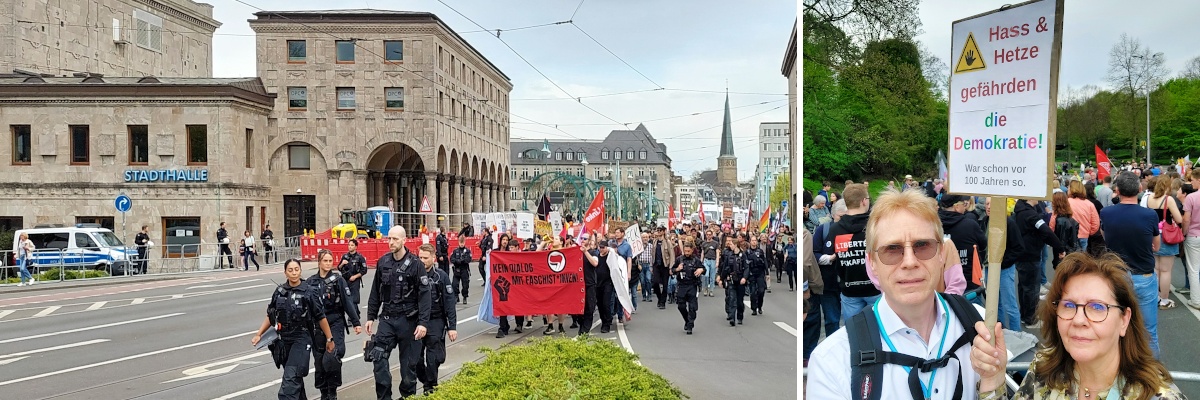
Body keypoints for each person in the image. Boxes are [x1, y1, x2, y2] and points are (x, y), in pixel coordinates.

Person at [807, 188, 984, 399]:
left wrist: (994, 385)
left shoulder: (980, 326)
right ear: (871, 263)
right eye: (892, 249)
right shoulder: (833, 362)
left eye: (923, 245)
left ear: (941, 255)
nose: (909, 262)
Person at [971, 252, 1185, 399]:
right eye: (1069, 305)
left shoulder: (1158, 396)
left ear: (1124, 320)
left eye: (1097, 307)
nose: (1079, 320)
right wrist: (993, 378)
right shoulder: (1044, 370)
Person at [251, 259, 335, 400]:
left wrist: (329, 339)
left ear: (300, 271)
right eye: (290, 270)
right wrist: (259, 334)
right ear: (285, 273)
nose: (294, 273)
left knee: (289, 387)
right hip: (284, 341)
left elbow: (321, 317)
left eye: (296, 269)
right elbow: (270, 315)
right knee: (295, 381)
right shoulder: (279, 292)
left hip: (302, 339)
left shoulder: (309, 291)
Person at [365, 226, 433, 400]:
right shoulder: (383, 262)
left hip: (409, 322)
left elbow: (424, 296)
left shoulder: (416, 265)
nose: (391, 242)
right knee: (378, 358)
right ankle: (384, 397)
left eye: (395, 239)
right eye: (389, 239)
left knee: (408, 368)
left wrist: (423, 323)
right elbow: (375, 291)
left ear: (404, 240)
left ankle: (407, 396)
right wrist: (370, 316)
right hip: (387, 319)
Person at [1100, 171, 1162, 358]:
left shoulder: (1106, 212)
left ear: (1117, 190)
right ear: (1140, 189)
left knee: (1116, 327)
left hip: (1117, 275)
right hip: (1143, 276)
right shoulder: (1149, 215)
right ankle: (1154, 373)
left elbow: (1105, 238)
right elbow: (1156, 246)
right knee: (1148, 330)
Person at [307, 250, 362, 399]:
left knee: (332, 357)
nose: (328, 263)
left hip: (335, 322)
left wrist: (356, 322)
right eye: (325, 260)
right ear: (319, 262)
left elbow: (347, 302)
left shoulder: (338, 280)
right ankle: (323, 393)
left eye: (330, 261)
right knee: (319, 362)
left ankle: (333, 392)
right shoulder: (310, 282)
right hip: (317, 326)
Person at [823, 183, 880, 321]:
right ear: (864, 201)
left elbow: (835, 255)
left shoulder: (835, 229)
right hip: (876, 288)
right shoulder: (875, 226)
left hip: (849, 287)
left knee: (855, 333)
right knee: (883, 331)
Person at [414, 244, 458, 395]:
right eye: (420, 257)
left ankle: (429, 386)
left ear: (433, 258)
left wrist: (452, 327)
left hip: (436, 320)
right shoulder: (413, 275)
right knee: (415, 359)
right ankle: (428, 380)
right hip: (417, 321)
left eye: (425, 258)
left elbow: (449, 303)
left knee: (435, 357)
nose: (422, 261)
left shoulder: (441, 276)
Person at [1146, 176, 1183, 310]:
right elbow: (1179, 219)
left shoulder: (1150, 199)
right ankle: (1164, 300)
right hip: (1167, 237)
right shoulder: (1169, 199)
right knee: (1166, 270)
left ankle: (1155, 297)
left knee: (1155, 269)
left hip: (1153, 235)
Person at [673, 237, 704, 335]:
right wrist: (677, 269)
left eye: (688, 251)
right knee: (681, 306)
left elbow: (703, 269)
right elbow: (672, 270)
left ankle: (690, 325)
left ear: (691, 250)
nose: (686, 253)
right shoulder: (679, 259)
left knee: (692, 307)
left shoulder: (696, 260)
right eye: (685, 251)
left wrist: (701, 270)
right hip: (682, 285)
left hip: (692, 285)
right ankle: (686, 319)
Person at [716, 235, 747, 326]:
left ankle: (740, 316)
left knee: (739, 301)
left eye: (732, 244)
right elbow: (725, 268)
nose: (730, 245)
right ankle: (732, 317)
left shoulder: (743, 255)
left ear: (736, 245)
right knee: (732, 298)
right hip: (731, 281)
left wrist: (744, 278)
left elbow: (746, 268)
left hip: (740, 280)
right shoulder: (729, 255)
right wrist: (721, 279)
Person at [579, 237, 605, 335]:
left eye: (585, 238)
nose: (582, 240)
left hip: (589, 283)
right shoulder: (577, 252)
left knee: (589, 307)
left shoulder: (593, 252)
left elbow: (595, 263)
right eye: (581, 238)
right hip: (578, 285)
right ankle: (581, 325)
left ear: (589, 241)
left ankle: (585, 330)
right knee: (578, 309)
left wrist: (586, 252)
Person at [1184, 168, 1200, 309]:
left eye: (1193, 180)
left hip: (1194, 235)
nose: (1191, 182)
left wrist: (1184, 233)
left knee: (1193, 269)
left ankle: (1196, 300)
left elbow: (1186, 219)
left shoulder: (1191, 197)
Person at [648, 228, 677, 309]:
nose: (659, 232)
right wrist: (651, 265)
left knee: (665, 285)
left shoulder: (667, 242)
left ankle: (662, 302)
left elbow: (672, 255)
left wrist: (671, 267)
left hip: (665, 266)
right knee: (655, 283)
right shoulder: (655, 241)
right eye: (658, 230)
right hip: (656, 265)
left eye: (660, 230)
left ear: (664, 232)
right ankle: (660, 298)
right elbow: (652, 254)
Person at [338, 239, 368, 307]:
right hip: (345, 280)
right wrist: (342, 264)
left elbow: (364, 270)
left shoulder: (360, 257)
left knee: (354, 301)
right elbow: (339, 268)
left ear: (356, 247)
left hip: (355, 281)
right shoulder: (345, 256)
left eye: (352, 245)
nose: (350, 247)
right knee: (345, 299)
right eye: (349, 245)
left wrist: (355, 276)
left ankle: (354, 316)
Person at [744, 235, 769, 316]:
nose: (754, 242)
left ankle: (760, 306)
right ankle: (754, 308)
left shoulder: (760, 251)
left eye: (755, 240)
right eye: (752, 240)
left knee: (761, 291)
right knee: (753, 292)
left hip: (760, 273)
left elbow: (764, 261)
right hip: (751, 274)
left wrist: (767, 273)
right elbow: (745, 264)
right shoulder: (747, 252)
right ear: (750, 242)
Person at [449, 235, 473, 304]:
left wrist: (462, 261)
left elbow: (468, 259)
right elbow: (451, 259)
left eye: (462, 243)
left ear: (464, 242)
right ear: (458, 242)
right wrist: (457, 261)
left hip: (464, 269)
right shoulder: (455, 251)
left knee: (465, 285)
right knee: (454, 284)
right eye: (460, 242)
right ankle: (456, 296)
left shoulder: (467, 251)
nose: (461, 244)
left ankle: (465, 297)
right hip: (457, 269)